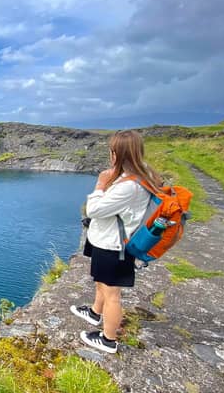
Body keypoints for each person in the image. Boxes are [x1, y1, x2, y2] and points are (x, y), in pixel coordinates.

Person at [70, 130, 162, 353]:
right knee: (100, 280)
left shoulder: (130, 186)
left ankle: (108, 340)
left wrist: (100, 185)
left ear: (119, 154)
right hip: (106, 240)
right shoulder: (140, 173)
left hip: (114, 246)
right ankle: (94, 312)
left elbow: (94, 209)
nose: (109, 154)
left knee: (112, 294)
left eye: (112, 151)